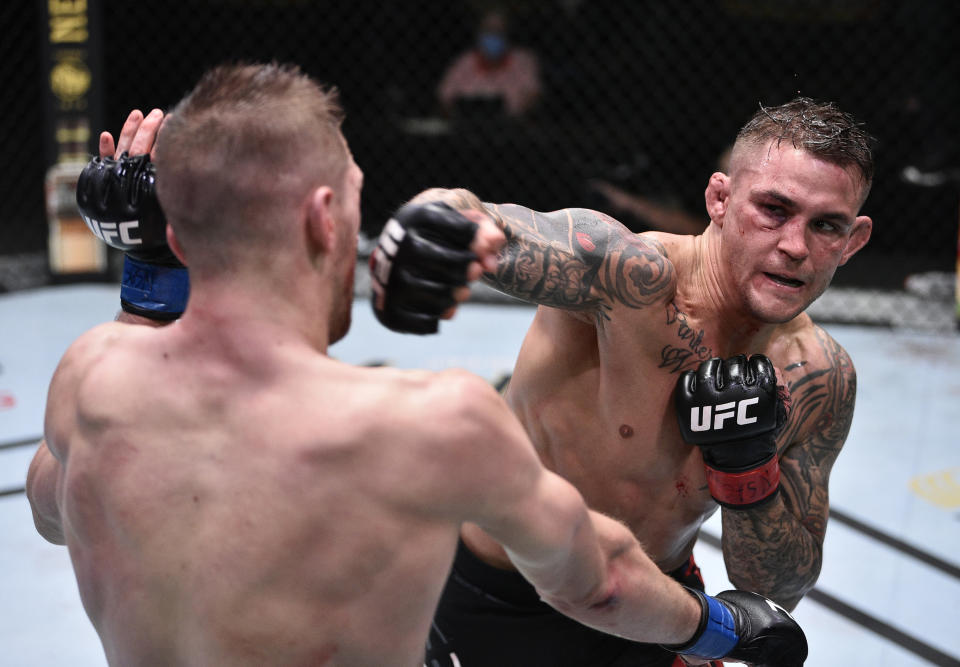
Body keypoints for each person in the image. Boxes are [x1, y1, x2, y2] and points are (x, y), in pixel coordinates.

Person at [25, 63, 807, 667]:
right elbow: (598, 581)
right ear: (326, 216)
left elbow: (58, 509)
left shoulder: (92, 378)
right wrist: (725, 627)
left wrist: (150, 275)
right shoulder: (426, 423)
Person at [371, 96, 874, 665]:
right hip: (501, 592)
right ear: (720, 199)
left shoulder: (820, 376)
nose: (794, 247)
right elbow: (493, 225)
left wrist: (748, 470)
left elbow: (776, 593)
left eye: (825, 225)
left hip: (651, 603)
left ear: (853, 240)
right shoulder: (626, 276)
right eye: (774, 210)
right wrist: (437, 222)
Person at [437, 8, 542, 119]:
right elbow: (444, 99)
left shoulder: (523, 60)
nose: (493, 36)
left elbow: (534, 97)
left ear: (508, 34)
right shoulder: (463, 62)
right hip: (467, 125)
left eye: (499, 31)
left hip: (512, 126)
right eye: (488, 30)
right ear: (478, 34)